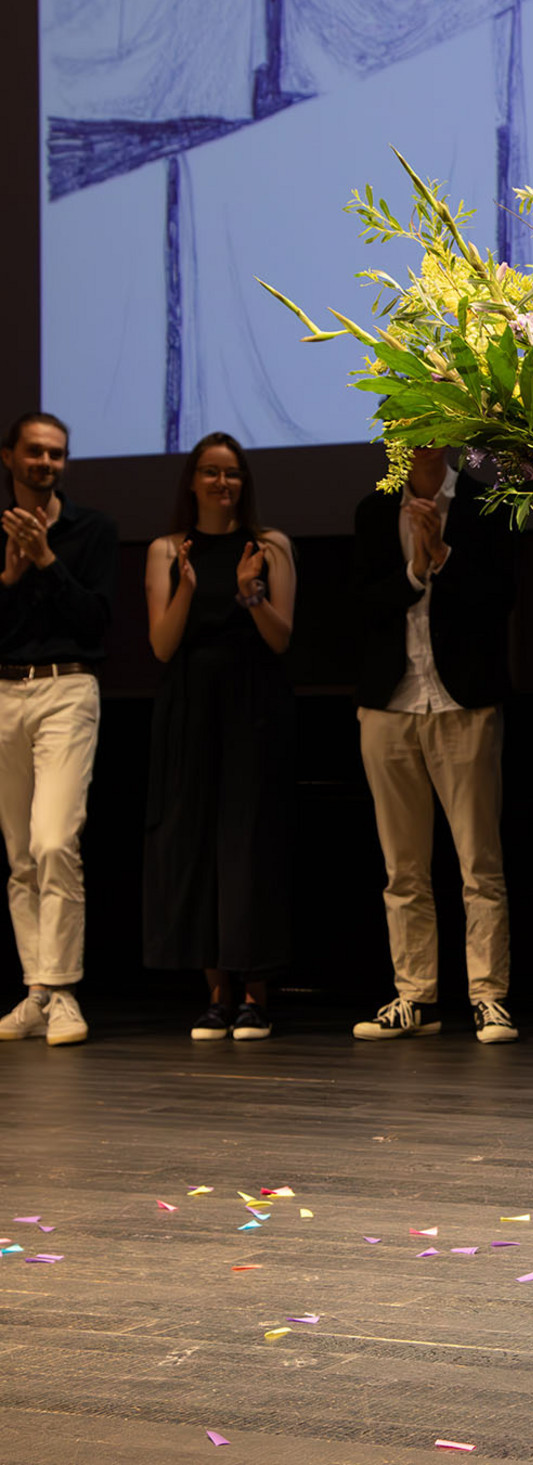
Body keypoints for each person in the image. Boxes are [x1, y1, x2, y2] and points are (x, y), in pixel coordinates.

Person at [351, 446, 517, 1045]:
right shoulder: (374, 510)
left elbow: (503, 599)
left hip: (462, 700)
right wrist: (414, 572)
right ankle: (414, 995)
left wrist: (443, 557)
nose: (415, 433)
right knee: (403, 868)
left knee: (479, 863)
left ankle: (488, 996)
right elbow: (363, 604)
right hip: (389, 702)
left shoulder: (483, 502)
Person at [143, 433, 295, 1039]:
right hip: (189, 708)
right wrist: (186, 583)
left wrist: (250, 591)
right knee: (200, 844)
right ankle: (215, 992)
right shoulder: (164, 549)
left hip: (254, 706)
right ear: (192, 481)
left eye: (231, 473)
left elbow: (280, 637)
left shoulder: (271, 545)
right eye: (209, 472)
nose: (221, 483)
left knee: (250, 843)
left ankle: (255, 993)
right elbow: (161, 645)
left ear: (243, 482)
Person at [0, 413, 117, 1047]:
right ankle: (35, 991)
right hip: (3, 692)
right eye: (36, 452)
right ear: (9, 457)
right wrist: (10, 578)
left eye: (57, 455)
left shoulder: (90, 530)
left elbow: (96, 622)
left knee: (52, 840)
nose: (47, 463)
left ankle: (62, 989)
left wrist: (45, 560)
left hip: (68, 687)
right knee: (19, 853)